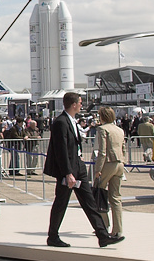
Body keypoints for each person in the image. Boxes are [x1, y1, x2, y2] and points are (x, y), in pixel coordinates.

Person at [43, 92, 122, 248]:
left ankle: (102, 235)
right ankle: (53, 236)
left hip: (78, 166)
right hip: (69, 170)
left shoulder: (72, 121)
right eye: (80, 102)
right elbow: (61, 151)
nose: (81, 105)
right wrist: (68, 173)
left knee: (89, 202)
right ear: (73, 104)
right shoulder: (61, 122)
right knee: (61, 203)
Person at [94, 106, 126, 240]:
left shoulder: (102, 129)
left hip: (108, 163)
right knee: (116, 198)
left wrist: (98, 170)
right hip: (119, 163)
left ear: (102, 117)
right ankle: (118, 230)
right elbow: (123, 148)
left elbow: (102, 151)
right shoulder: (119, 130)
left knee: (99, 194)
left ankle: (103, 226)